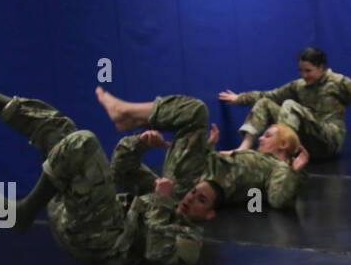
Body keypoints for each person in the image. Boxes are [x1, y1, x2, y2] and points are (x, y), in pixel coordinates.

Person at [0, 47, 206, 265]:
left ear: (210, 215)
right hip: (82, 217)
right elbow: (121, 171)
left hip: (103, 243)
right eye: (194, 192)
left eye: (201, 200)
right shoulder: (170, 194)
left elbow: (156, 253)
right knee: (62, 130)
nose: (190, 198)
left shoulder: (190, 240)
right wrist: (138, 144)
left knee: (84, 142)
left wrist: (160, 202)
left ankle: (25, 210)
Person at [96, 87, 311, 213]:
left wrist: (294, 172)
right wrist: (208, 147)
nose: (260, 138)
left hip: (193, 182)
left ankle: (125, 113)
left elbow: (277, 200)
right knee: (122, 174)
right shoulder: (255, 157)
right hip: (187, 179)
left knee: (196, 111)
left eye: (268, 135)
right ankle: (129, 123)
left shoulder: (279, 168)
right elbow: (225, 169)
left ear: (283, 145)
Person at [219, 46, 351, 161]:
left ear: (321, 67)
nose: (304, 75)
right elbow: (269, 95)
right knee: (265, 103)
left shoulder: (341, 83)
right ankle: (244, 147)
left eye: (308, 71)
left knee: (289, 105)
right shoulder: (298, 85)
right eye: (301, 71)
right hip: (306, 143)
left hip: (329, 141)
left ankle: (278, 155)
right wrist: (239, 98)